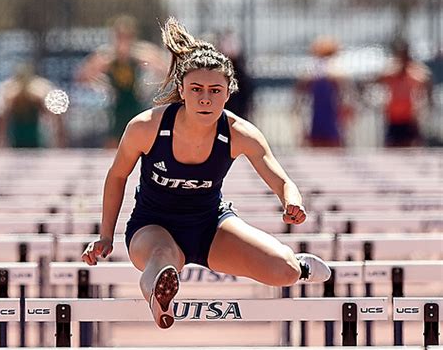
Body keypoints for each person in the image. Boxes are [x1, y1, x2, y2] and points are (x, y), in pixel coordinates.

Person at [82, 17, 331, 329]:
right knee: (162, 256)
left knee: (285, 272)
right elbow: (117, 175)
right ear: (182, 91)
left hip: (210, 226)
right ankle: (160, 297)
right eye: (196, 89)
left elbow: (279, 178)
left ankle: (300, 266)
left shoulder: (240, 132)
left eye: (215, 90)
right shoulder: (147, 127)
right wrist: (106, 235)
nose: (205, 98)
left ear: (228, 93)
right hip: (152, 226)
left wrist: (292, 202)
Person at [77, 14, 167, 148]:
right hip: (116, 105)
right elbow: (83, 76)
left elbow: (165, 70)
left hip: (136, 102)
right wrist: (102, 84)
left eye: (127, 36)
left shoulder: (141, 53)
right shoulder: (107, 56)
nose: (123, 40)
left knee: (141, 138)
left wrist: (148, 82)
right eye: (120, 36)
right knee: (114, 141)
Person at [294, 37, 352, 147]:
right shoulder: (314, 68)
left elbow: (343, 87)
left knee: (330, 141)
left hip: (331, 111)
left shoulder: (332, 67)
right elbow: (301, 86)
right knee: (321, 141)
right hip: (318, 111)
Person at [374, 39, 433, 147]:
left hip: (409, 117)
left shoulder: (415, 72)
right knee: (392, 145)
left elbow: (426, 83)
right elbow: (377, 79)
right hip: (393, 117)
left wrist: (427, 103)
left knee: (411, 145)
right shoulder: (391, 71)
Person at [0, 63, 65, 148]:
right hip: (17, 137)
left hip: (35, 138)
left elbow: (55, 115)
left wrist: (59, 138)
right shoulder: (10, 91)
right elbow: (2, 118)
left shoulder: (38, 90)